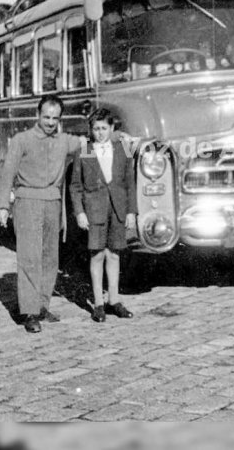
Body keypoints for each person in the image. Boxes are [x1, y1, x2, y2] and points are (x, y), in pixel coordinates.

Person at [0, 95, 85, 333]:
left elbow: (94, 139)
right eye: (46, 117)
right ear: (38, 115)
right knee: (29, 257)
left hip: (52, 204)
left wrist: (121, 137)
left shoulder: (65, 140)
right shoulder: (21, 140)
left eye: (55, 118)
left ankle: (42, 305)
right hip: (28, 202)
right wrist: (3, 205)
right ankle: (30, 312)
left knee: (50, 258)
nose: (50, 122)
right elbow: (7, 174)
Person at [69, 108, 136, 322]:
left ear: (112, 128)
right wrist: (79, 212)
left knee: (114, 254)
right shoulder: (85, 151)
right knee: (97, 255)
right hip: (94, 211)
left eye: (104, 128)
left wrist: (131, 212)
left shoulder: (122, 149)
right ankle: (98, 303)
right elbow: (75, 186)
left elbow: (129, 184)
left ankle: (114, 300)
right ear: (91, 130)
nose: (100, 133)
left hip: (117, 209)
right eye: (96, 129)